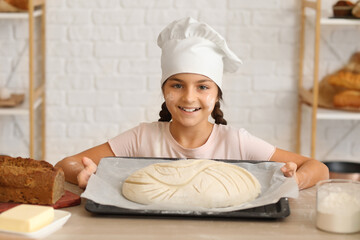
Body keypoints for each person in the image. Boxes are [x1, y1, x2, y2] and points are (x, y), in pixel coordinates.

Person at [55, 17, 329, 190]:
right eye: (177, 85)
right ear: (164, 90)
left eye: (203, 87)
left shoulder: (236, 142)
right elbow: (65, 164)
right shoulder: (143, 137)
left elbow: (318, 167)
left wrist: (294, 180)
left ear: (217, 93)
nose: (188, 97)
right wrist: (83, 174)